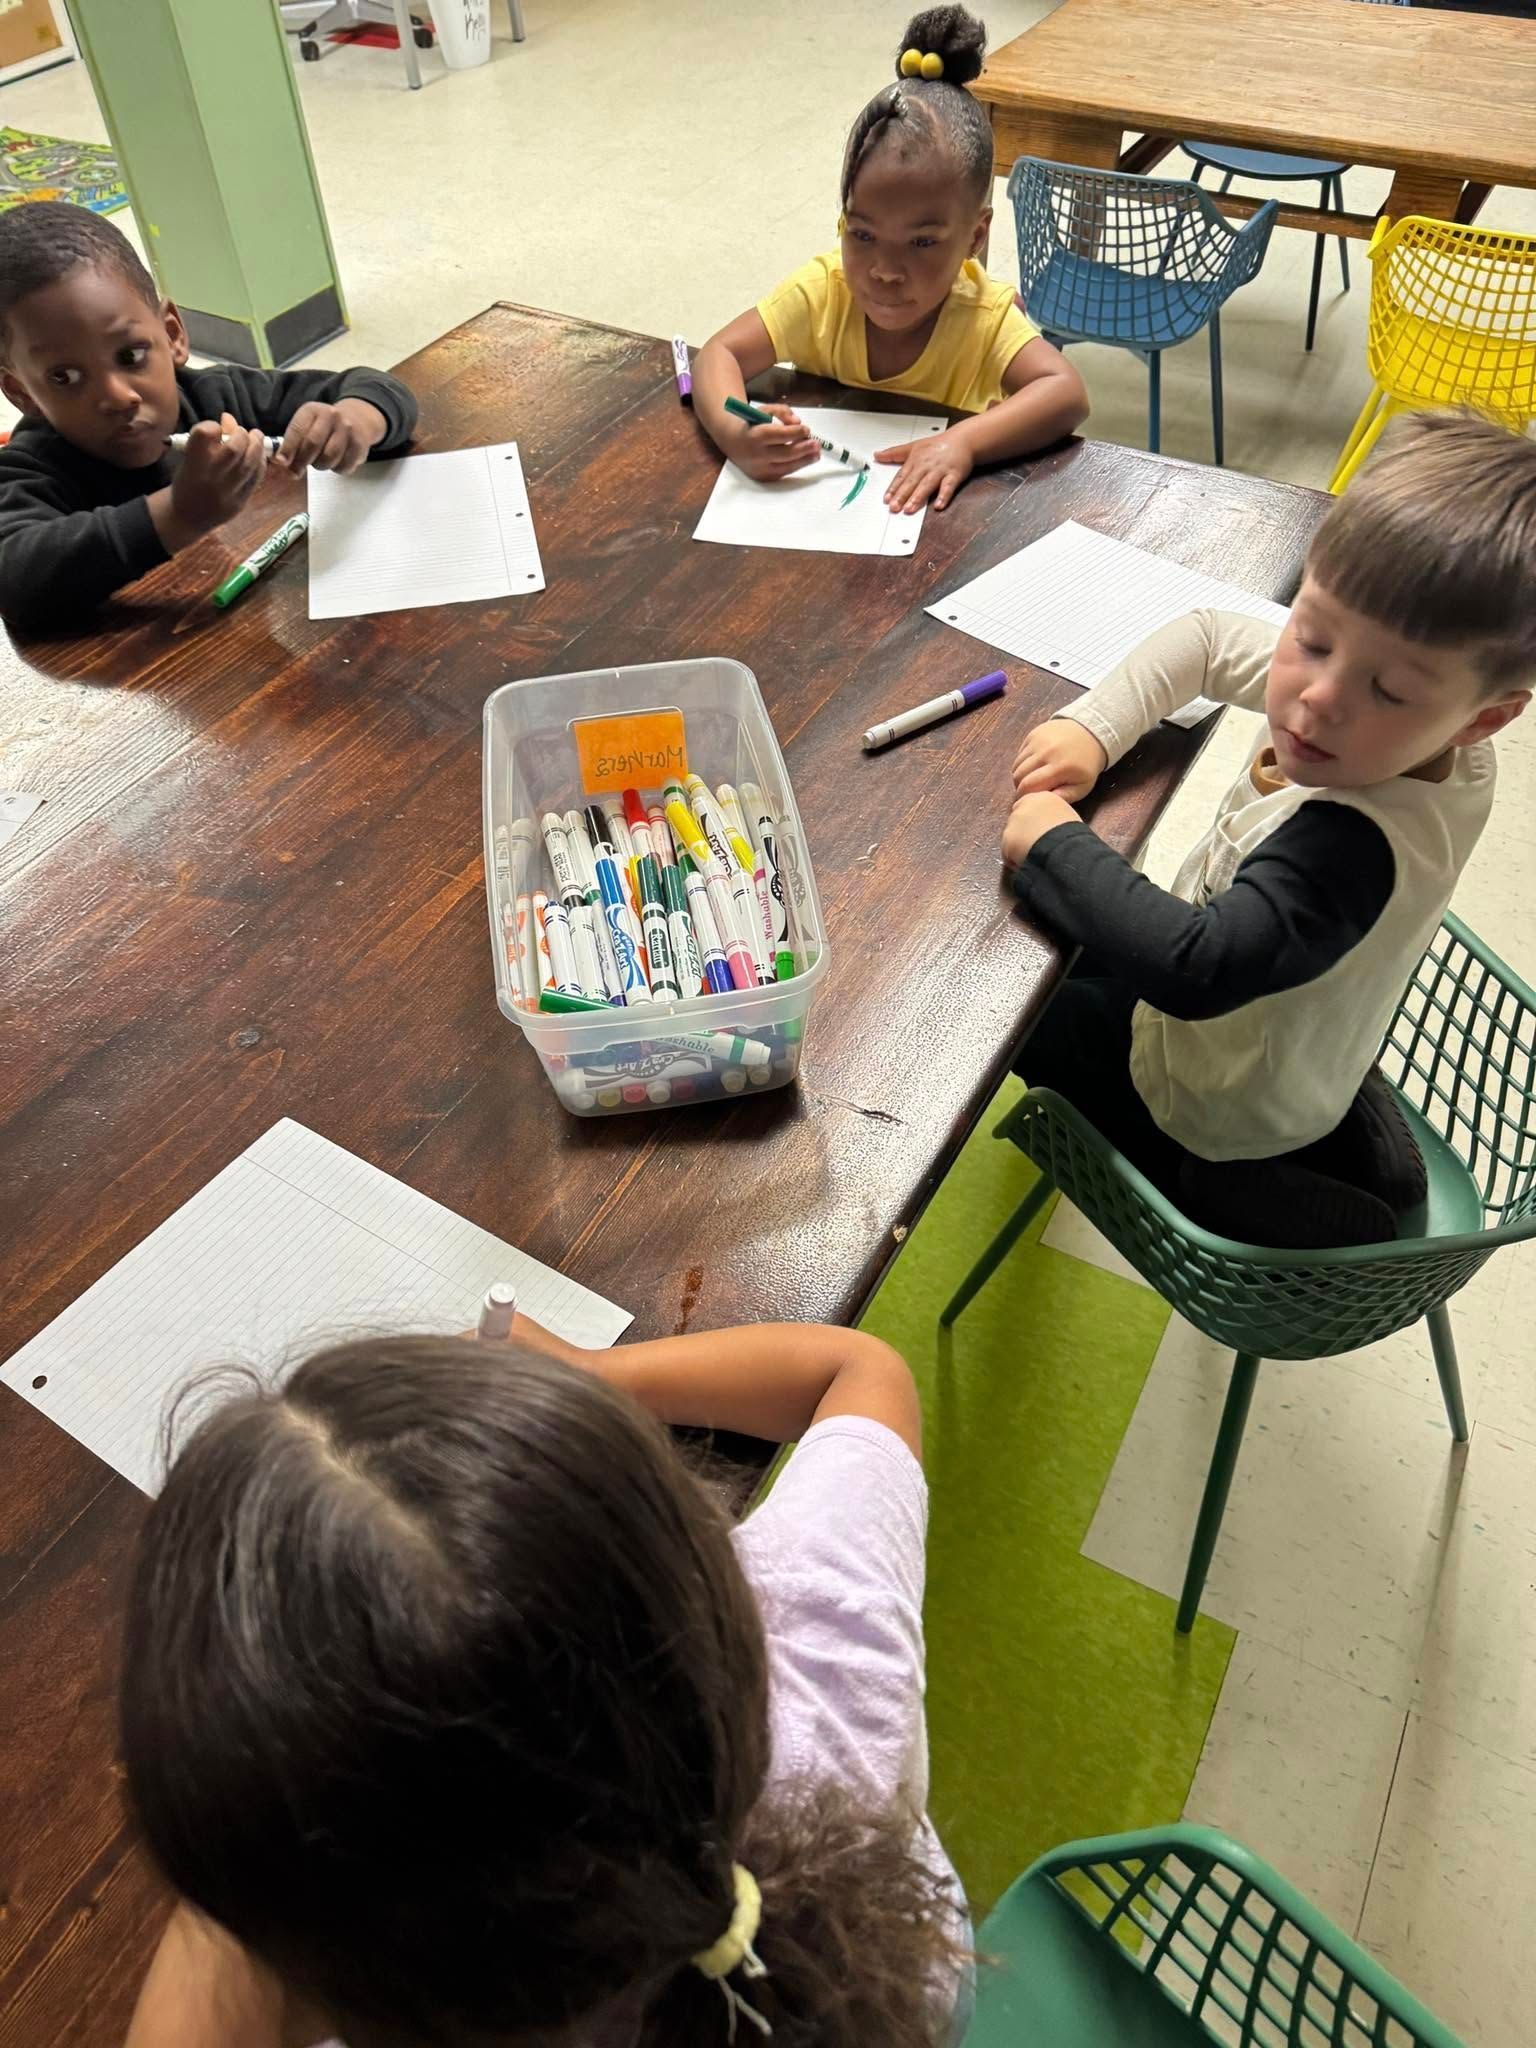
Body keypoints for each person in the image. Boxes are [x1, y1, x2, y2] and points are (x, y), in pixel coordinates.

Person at [118, 1317, 970, 2048]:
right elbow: (859, 1370)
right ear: (720, 1599)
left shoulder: (361, 1971)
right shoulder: (820, 1649)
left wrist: (242, 1863)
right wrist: (594, 1378)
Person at [1001, 412, 1536, 1249]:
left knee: (1012, 1007)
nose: (1317, 696)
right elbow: (1209, 636)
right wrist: (1095, 728)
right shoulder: (1438, 737)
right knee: (1096, 952)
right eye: (1310, 637)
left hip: (1202, 1096)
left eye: (1389, 690)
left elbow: (1196, 967)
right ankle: (1345, 1157)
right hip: (1298, 1032)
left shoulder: (1351, 848)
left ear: (1486, 719)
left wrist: (1047, 840)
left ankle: (1219, 1184)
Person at [692, 6, 1087, 517]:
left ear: (976, 236)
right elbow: (716, 354)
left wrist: (962, 444)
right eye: (863, 234)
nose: (885, 270)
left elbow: (1067, 394)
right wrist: (732, 428)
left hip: (940, 534)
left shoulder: (983, 318)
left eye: (921, 243)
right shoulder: (822, 292)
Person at [0, 201, 417, 628]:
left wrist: (358, 418)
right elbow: (15, 581)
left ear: (172, 334)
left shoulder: (215, 395)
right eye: (64, 377)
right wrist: (181, 513)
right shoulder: (30, 467)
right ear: (21, 392)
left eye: (130, 355)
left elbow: (380, 388)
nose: (116, 396)